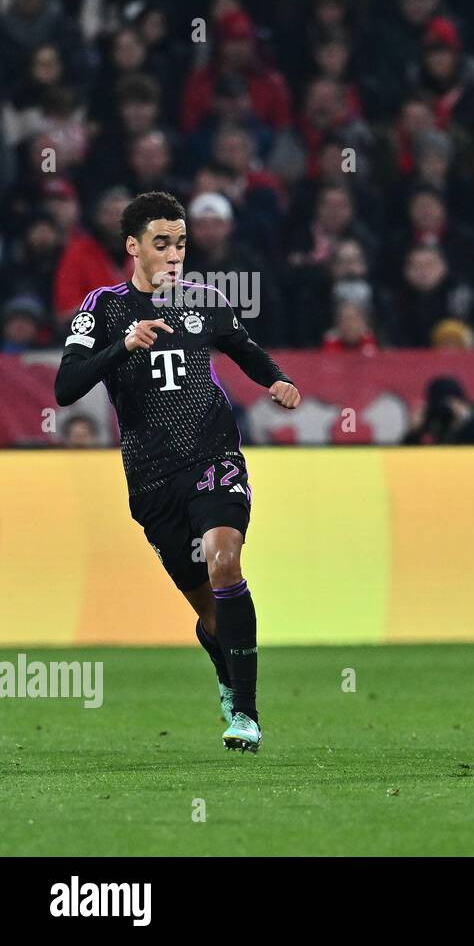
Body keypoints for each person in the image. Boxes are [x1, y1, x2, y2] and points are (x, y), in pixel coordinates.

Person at [52, 192, 300, 753]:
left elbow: (246, 350)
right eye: (161, 243)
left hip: (213, 456)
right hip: (151, 478)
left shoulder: (206, 301)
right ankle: (225, 672)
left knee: (225, 557)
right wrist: (122, 345)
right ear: (133, 247)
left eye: (181, 243)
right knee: (210, 610)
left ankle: (247, 712)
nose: (173, 254)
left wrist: (277, 380)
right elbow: (65, 389)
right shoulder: (103, 308)